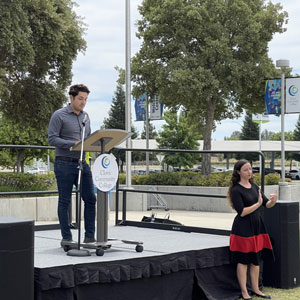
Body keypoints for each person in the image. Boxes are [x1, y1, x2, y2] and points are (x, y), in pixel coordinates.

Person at [48, 83, 96, 246]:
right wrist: (72, 143)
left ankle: (90, 236)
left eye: (86, 99)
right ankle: (66, 238)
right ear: (71, 97)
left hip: (82, 163)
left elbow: (88, 138)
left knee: (90, 199)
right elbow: (52, 139)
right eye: (81, 98)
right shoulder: (59, 115)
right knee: (64, 201)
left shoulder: (86, 117)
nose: (83, 102)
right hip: (64, 163)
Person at [228, 159, 277, 300]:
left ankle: (256, 289)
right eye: (246, 170)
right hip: (243, 228)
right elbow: (242, 212)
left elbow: (266, 204)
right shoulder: (236, 190)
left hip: (257, 227)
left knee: (256, 260)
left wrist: (273, 201)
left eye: (250, 169)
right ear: (238, 172)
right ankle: (244, 292)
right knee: (243, 261)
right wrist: (258, 204)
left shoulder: (254, 186)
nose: (249, 172)